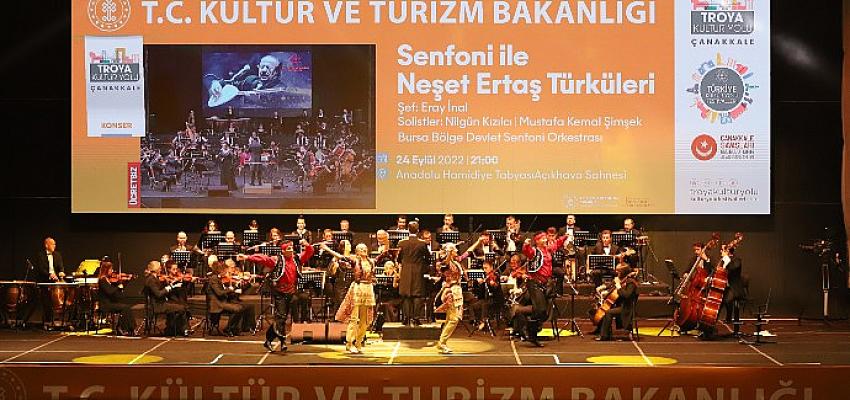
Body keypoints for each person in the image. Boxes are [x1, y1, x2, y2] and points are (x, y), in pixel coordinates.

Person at [239, 239, 313, 352]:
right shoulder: (277, 260)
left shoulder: (296, 259)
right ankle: (282, 342)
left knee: (281, 319)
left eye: (292, 248)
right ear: (283, 251)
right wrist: (247, 257)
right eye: (289, 248)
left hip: (291, 292)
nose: (291, 250)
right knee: (281, 317)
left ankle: (271, 341)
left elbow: (309, 252)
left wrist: (307, 245)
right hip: (279, 293)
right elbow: (263, 258)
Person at [323, 242, 376, 354]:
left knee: (365, 320)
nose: (363, 250)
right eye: (361, 249)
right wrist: (327, 249)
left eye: (365, 248)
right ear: (357, 252)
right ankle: (349, 343)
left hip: (368, 289)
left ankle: (359, 342)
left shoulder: (371, 261)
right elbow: (341, 257)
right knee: (354, 318)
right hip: (358, 288)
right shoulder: (355, 260)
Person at [397, 221, 431, 326]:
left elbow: (399, 258)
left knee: (406, 295)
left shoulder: (402, 243)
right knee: (417, 295)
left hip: (405, 271)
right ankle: (416, 318)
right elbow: (428, 258)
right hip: (418, 271)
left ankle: (406, 318)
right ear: (418, 230)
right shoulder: (422, 244)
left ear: (408, 229)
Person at [142, 261, 188, 336]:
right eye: (159, 267)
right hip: (157, 305)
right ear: (156, 269)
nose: (161, 269)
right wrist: (171, 287)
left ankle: (173, 328)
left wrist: (171, 284)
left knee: (180, 305)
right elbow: (159, 294)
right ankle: (180, 329)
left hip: (160, 303)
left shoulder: (154, 278)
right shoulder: (151, 280)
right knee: (181, 308)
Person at [595, 263, 639, 341]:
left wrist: (618, 287)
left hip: (626, 308)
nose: (616, 272)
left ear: (623, 272)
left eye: (618, 271)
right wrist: (604, 287)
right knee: (602, 310)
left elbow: (626, 295)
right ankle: (601, 331)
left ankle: (604, 336)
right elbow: (611, 285)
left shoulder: (631, 282)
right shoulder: (621, 279)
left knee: (608, 312)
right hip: (620, 305)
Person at [434, 243, 464, 354]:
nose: (457, 251)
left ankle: (443, 342)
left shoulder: (456, 262)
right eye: (454, 250)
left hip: (457, 290)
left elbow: (468, 253)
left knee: (450, 318)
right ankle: (442, 343)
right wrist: (449, 253)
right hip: (450, 291)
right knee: (454, 319)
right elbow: (446, 263)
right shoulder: (445, 263)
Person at [206, 261, 247, 336]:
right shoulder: (214, 278)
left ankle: (233, 329)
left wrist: (234, 288)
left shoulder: (218, 278)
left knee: (241, 307)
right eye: (225, 271)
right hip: (217, 304)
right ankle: (229, 329)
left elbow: (223, 291)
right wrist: (230, 289)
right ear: (220, 270)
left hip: (221, 302)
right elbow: (219, 292)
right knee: (237, 308)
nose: (226, 272)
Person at [31, 237, 65, 328]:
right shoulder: (40, 255)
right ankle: (48, 321)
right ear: (46, 245)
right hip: (44, 280)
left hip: (55, 281)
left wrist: (61, 272)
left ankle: (58, 319)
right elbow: (41, 269)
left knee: (59, 299)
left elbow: (61, 266)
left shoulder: (57, 255)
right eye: (52, 244)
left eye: (55, 244)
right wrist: (50, 275)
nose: (54, 246)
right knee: (46, 301)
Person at [96, 260, 137, 336]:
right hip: (105, 304)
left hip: (111, 303)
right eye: (111, 269)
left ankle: (130, 328)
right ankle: (124, 328)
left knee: (126, 308)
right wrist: (118, 287)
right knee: (125, 308)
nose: (112, 271)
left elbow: (117, 292)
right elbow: (110, 291)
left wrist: (125, 282)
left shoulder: (108, 280)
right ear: (106, 270)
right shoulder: (102, 280)